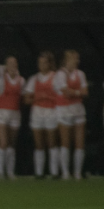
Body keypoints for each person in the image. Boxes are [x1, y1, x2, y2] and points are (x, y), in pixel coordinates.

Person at [23, 51, 59, 179]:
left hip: (51, 112)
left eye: (44, 63)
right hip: (37, 112)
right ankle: (39, 172)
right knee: (39, 144)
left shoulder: (56, 77)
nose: (41, 65)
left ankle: (54, 172)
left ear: (49, 64)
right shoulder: (34, 79)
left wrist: (48, 97)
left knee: (51, 142)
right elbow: (27, 100)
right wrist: (38, 97)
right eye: (40, 63)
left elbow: (61, 97)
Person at [53, 50, 88, 180]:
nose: (77, 61)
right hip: (64, 110)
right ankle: (66, 173)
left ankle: (77, 173)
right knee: (66, 142)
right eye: (74, 59)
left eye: (77, 58)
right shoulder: (60, 75)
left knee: (80, 143)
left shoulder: (81, 74)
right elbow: (66, 93)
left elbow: (85, 92)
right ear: (67, 60)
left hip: (78, 109)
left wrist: (75, 92)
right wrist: (78, 92)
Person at [0, 56, 25, 179]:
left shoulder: (21, 80)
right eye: (10, 63)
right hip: (1, 113)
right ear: (6, 66)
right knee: (3, 142)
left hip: (15, 114)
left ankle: (10, 172)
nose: (12, 65)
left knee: (11, 144)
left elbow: (22, 96)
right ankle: (0, 172)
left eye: (14, 63)